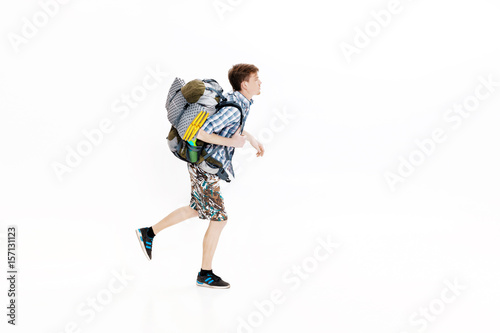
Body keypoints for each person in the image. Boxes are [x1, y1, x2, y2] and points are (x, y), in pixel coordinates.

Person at [135, 64, 264, 289]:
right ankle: (205, 274)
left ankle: (148, 233)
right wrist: (233, 143)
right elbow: (201, 132)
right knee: (220, 219)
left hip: (203, 166)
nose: (260, 82)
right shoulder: (235, 107)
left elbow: (229, 126)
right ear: (245, 84)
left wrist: (250, 138)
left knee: (196, 208)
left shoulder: (238, 102)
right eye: (256, 79)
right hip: (206, 168)